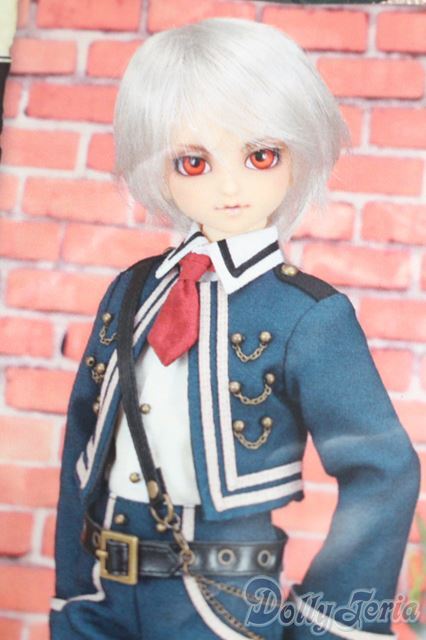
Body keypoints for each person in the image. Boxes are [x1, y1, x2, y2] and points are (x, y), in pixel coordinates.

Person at [50, 17, 421, 640]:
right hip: (99, 585)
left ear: (297, 153)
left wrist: (326, 622)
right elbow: (83, 444)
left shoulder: (308, 313)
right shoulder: (132, 289)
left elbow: (383, 469)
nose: (229, 186)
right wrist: (70, 590)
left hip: (219, 597)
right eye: (193, 161)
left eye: (260, 156)